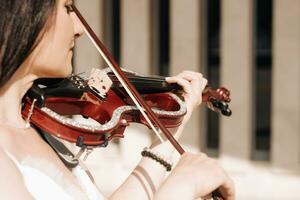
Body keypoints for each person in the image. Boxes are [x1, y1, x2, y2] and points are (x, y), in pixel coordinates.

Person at [0, 0, 235, 199]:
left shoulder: (36, 127)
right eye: (68, 8)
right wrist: (182, 186)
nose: (80, 27)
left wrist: (168, 134)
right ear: (23, 13)